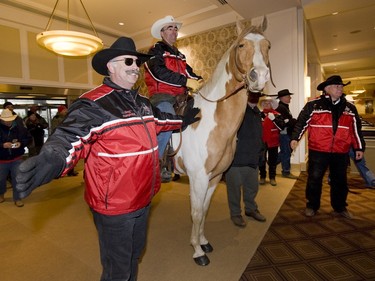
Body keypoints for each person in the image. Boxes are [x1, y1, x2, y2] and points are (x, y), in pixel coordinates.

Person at [15, 36, 199, 281]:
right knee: (117, 269)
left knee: (135, 254)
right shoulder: (94, 103)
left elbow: (161, 121)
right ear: (111, 66)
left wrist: (182, 121)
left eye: (138, 62)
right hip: (115, 205)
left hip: (144, 196)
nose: (136, 67)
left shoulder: (142, 102)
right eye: (129, 61)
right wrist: (52, 158)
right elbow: (70, 137)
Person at [290, 75, 365, 219]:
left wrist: (359, 148)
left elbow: (356, 130)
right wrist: (295, 138)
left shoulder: (350, 108)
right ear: (327, 89)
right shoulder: (313, 105)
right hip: (318, 150)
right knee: (314, 178)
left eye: (341, 86)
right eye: (337, 86)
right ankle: (312, 205)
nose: (340, 89)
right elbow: (301, 122)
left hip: (340, 151)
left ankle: (340, 207)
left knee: (340, 180)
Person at [144, 15, 203, 183]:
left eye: (175, 28)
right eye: (170, 28)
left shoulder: (180, 55)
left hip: (181, 96)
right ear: (162, 33)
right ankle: (157, 163)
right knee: (167, 121)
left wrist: (200, 80)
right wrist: (185, 81)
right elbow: (159, 73)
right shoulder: (155, 50)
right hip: (162, 95)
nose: (174, 31)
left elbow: (190, 73)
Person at [225, 92, 266, 227]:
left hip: (252, 158)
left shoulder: (257, 112)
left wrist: (261, 153)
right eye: (253, 95)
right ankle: (236, 213)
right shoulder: (237, 110)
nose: (255, 98)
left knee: (252, 187)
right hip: (236, 159)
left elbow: (258, 135)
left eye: (258, 95)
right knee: (234, 189)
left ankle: (250, 209)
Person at [0, 108, 31, 207]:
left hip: (16, 158)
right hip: (1, 159)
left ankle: (17, 198)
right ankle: (1, 194)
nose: (8, 122)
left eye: (10, 120)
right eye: (6, 120)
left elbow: (28, 138)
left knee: (17, 179)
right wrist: (2, 145)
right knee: (1, 179)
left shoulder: (20, 128)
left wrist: (21, 143)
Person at [259, 96, 284, 186]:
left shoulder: (277, 114)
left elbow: (281, 127)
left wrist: (274, 119)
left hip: (273, 140)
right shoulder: (258, 114)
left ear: (272, 104)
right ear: (262, 105)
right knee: (261, 159)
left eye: (268, 103)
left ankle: (272, 177)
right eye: (264, 103)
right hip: (261, 141)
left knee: (272, 160)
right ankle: (262, 176)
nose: (266, 104)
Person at [275, 89, 298, 179]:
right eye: (288, 96)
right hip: (284, 134)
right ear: (282, 98)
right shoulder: (281, 108)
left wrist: (291, 121)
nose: (290, 98)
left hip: (286, 133)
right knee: (286, 153)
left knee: (285, 152)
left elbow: (289, 121)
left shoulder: (284, 107)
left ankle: (271, 162)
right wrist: (293, 120)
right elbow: (285, 123)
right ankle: (286, 171)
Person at [50, 105, 79, 176]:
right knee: (61, 156)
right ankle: (59, 172)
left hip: (69, 138)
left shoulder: (68, 117)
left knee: (71, 155)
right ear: (61, 111)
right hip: (61, 139)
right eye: (64, 110)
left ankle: (70, 171)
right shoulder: (56, 119)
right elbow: (55, 129)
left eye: (66, 109)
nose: (66, 111)